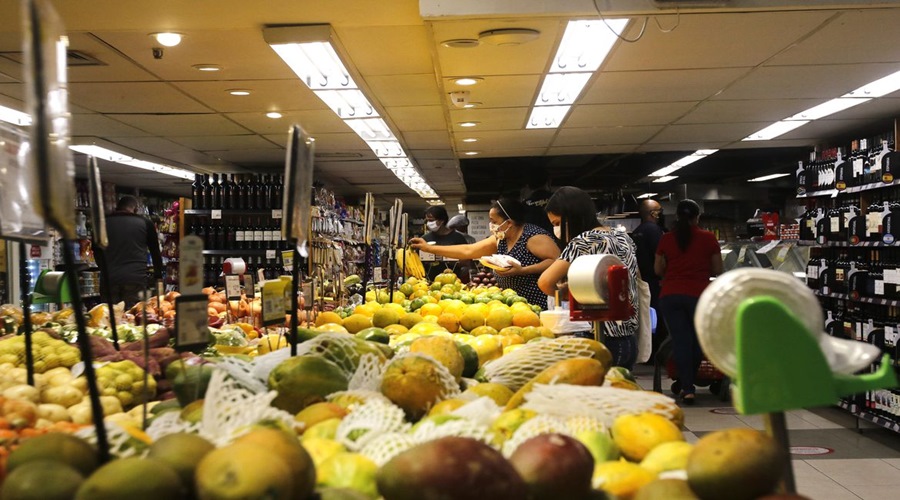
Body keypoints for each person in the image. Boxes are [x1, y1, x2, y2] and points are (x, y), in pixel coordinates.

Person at [538, 186, 641, 370]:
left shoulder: (583, 241)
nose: (556, 229)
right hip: (628, 340)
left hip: (597, 338)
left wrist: (565, 294)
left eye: (557, 223)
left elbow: (545, 282)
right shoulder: (623, 237)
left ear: (573, 216)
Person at [410, 197, 559, 309]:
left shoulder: (532, 237)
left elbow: (556, 261)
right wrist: (428, 248)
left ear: (508, 222)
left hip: (536, 302)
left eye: (494, 221)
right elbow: (469, 250)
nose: (492, 225)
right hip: (512, 303)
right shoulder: (501, 238)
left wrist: (523, 270)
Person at [654, 199, 723, 405]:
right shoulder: (709, 238)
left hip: (670, 296)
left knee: (680, 340)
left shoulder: (666, 239)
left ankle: (687, 387)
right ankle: (688, 384)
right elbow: (718, 270)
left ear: (676, 216)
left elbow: (657, 270)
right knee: (697, 341)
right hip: (699, 296)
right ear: (697, 217)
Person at [100, 195, 163, 309]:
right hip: (135, 278)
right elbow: (155, 252)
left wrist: (104, 269)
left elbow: (96, 250)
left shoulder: (103, 223)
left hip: (109, 278)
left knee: (108, 315)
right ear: (135, 209)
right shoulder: (145, 223)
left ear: (117, 207)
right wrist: (158, 276)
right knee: (133, 315)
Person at [420, 206, 471, 282]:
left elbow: (467, 260)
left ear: (442, 220)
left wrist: (449, 259)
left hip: (454, 282)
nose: (428, 223)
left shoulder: (458, 238)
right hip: (429, 282)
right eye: (427, 221)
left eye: (431, 220)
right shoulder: (424, 239)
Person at [522, 169, 555, 236]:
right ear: (549, 181)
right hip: (556, 241)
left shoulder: (524, 205)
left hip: (533, 241)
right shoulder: (557, 199)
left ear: (528, 185)